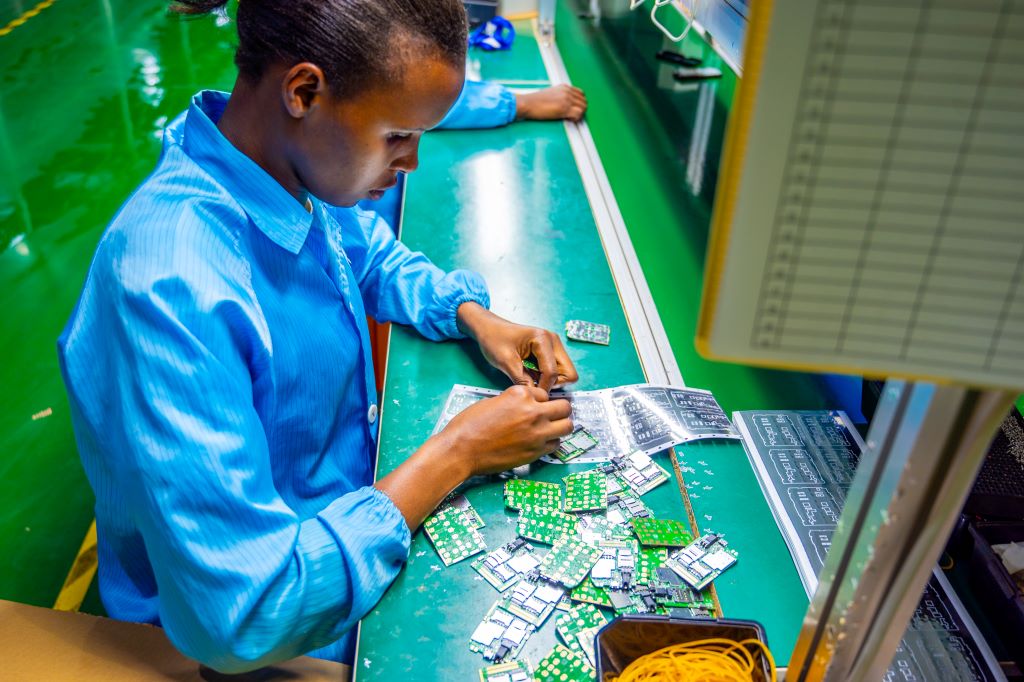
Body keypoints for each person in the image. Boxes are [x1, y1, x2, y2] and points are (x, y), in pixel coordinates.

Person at [57, 0, 579, 673]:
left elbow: (370, 255)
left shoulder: (283, 171)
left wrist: (473, 317)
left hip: (340, 522)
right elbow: (242, 614)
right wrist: (456, 454)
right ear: (304, 91)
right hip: (250, 634)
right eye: (397, 136)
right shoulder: (169, 283)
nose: (412, 162)